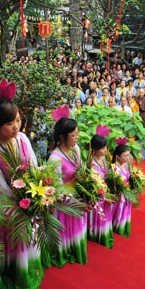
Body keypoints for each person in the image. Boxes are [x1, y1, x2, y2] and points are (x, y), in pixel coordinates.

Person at [0, 84, 43, 289]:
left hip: (30, 199)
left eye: (18, 120)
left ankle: (31, 265)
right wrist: (22, 206)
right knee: (16, 244)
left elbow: (36, 168)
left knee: (31, 240)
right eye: (9, 123)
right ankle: (18, 274)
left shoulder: (23, 139)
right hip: (10, 207)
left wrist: (39, 193)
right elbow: (0, 188)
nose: (16, 126)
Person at [48, 114, 88, 266]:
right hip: (65, 201)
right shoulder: (55, 158)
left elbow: (81, 170)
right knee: (65, 230)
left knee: (77, 227)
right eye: (73, 135)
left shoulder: (75, 149)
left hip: (77, 194)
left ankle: (75, 248)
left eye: (77, 134)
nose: (77, 138)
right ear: (62, 137)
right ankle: (64, 252)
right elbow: (57, 189)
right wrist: (75, 203)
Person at [88, 128, 114, 248]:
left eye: (106, 148)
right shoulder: (91, 164)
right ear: (95, 149)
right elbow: (94, 184)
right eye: (103, 148)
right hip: (98, 194)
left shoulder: (102, 160)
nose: (105, 150)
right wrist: (104, 196)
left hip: (104, 191)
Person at [111, 141, 132, 237]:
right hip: (119, 194)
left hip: (126, 193)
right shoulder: (115, 168)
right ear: (118, 157)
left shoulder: (126, 165)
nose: (127, 158)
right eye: (125, 156)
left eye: (128, 155)